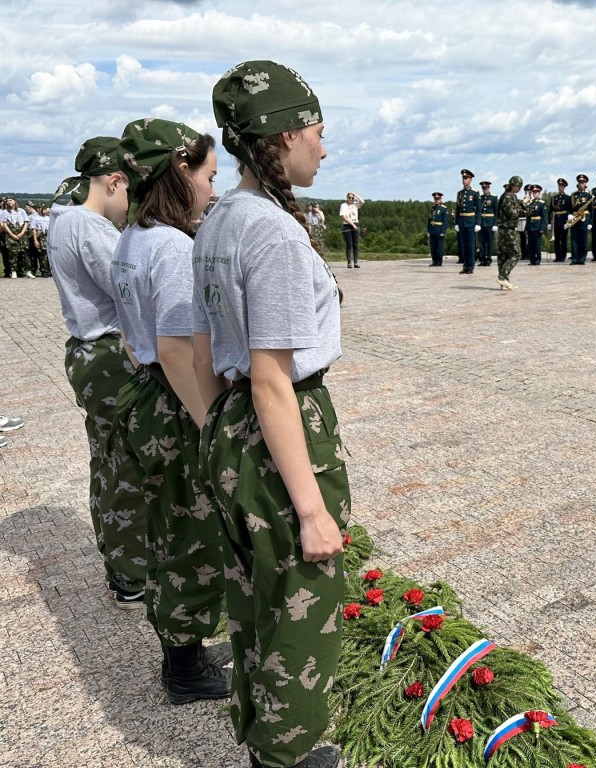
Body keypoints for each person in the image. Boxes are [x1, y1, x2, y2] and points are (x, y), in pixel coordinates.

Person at [194, 60, 350, 768]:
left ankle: (266, 744)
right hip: (279, 428)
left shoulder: (222, 216)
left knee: (254, 597)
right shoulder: (275, 233)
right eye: (318, 131)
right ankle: (287, 756)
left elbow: (211, 350)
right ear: (284, 136)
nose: (324, 146)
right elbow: (272, 381)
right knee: (299, 602)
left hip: (229, 427)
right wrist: (313, 510)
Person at [110, 118, 230, 704]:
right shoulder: (174, 247)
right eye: (209, 173)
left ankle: (180, 650)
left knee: (166, 524)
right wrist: (214, 425)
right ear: (181, 172)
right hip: (176, 403)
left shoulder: (134, 236)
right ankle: (184, 666)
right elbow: (178, 350)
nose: (214, 186)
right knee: (191, 530)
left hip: (147, 399)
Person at [47, 137, 150, 608]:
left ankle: (120, 563)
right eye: (130, 192)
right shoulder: (92, 229)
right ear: (115, 181)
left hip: (87, 354)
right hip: (109, 356)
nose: (129, 207)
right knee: (127, 466)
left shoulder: (62, 222)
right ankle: (132, 574)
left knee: (107, 460)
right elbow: (130, 290)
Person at [496, 175, 526, 290]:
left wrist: (523, 204)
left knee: (504, 256)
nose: (519, 189)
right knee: (516, 253)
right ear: (514, 186)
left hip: (505, 229)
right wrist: (521, 209)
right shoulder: (508, 197)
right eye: (518, 187)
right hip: (507, 230)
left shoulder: (511, 196)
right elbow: (512, 213)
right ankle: (502, 276)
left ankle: (504, 282)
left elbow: (523, 211)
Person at [454, 168, 481, 274]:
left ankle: (470, 267)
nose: (464, 180)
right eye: (463, 178)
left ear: (470, 179)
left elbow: (478, 209)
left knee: (470, 245)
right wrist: (456, 222)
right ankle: (465, 266)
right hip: (462, 222)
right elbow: (457, 209)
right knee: (463, 246)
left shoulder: (474, 193)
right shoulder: (459, 193)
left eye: (466, 178)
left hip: (470, 221)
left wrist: (478, 223)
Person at [3, 197, 31, 278]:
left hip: (21, 233)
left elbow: (26, 222)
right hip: (11, 234)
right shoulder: (5, 212)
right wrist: (11, 234)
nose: (9, 202)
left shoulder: (21, 211)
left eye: (10, 200)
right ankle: (13, 270)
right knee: (13, 253)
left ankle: (27, 270)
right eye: (7, 201)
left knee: (24, 252)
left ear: (15, 201)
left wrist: (22, 233)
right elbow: (4, 224)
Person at [568, 174, 592, 265]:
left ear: (585, 184)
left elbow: (591, 210)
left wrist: (590, 222)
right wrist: (569, 214)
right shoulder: (573, 195)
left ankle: (582, 259)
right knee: (574, 239)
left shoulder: (588, 196)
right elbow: (570, 207)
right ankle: (574, 259)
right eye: (580, 182)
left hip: (584, 219)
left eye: (583, 182)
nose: (581, 184)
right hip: (574, 219)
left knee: (583, 240)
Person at [548, 178, 571, 262]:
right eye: (559, 186)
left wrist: (567, 222)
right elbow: (550, 211)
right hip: (555, 221)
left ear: (564, 187)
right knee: (556, 240)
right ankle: (557, 256)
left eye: (561, 186)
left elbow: (569, 211)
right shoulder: (554, 198)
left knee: (564, 240)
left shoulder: (568, 198)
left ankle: (563, 256)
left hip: (563, 220)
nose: (560, 187)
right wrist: (549, 223)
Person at [525, 184, 548, 265]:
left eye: (536, 192)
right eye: (533, 192)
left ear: (539, 193)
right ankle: (532, 260)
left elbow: (544, 217)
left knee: (537, 244)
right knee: (530, 245)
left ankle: (537, 259)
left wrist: (542, 227)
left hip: (537, 226)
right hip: (530, 226)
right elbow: (528, 216)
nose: (535, 194)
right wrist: (526, 228)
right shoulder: (530, 204)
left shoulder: (542, 203)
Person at [477, 181, 498, 266]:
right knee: (481, 242)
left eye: (486, 188)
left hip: (490, 222)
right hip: (482, 222)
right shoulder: (480, 198)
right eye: (483, 188)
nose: (484, 190)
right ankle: (482, 259)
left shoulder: (493, 197)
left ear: (489, 188)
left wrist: (495, 224)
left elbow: (496, 211)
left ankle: (488, 259)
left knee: (489, 242)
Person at [339, 191, 362, 268]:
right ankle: (349, 262)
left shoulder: (355, 205)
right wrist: (352, 224)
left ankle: (355, 262)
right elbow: (344, 217)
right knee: (349, 244)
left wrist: (355, 194)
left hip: (356, 223)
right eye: (349, 197)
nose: (351, 199)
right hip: (347, 225)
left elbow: (362, 201)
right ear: (347, 198)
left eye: (352, 198)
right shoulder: (343, 205)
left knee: (355, 244)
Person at [28, 203, 50, 277]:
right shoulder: (35, 218)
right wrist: (35, 240)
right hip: (40, 236)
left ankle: (48, 269)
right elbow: (34, 229)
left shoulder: (48, 218)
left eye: (45, 209)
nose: (44, 211)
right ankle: (43, 270)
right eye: (42, 209)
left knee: (47, 254)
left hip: (47, 237)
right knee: (42, 254)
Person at [427, 192, 448, 266]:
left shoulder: (443, 209)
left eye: (438, 199)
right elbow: (429, 220)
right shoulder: (432, 208)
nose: (436, 200)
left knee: (439, 247)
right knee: (433, 247)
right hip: (432, 230)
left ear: (441, 199)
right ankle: (434, 261)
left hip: (439, 230)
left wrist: (443, 231)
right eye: (435, 199)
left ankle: (439, 262)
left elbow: (445, 222)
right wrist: (428, 230)